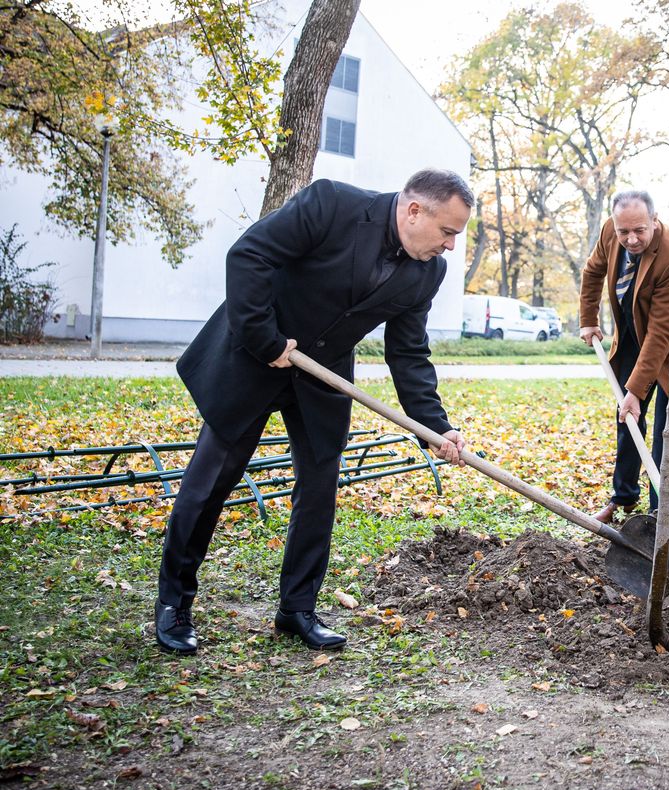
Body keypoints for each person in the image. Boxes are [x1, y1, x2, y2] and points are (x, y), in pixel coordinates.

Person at [155, 170, 472, 654]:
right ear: (414, 211)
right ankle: (175, 603)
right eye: (448, 231)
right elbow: (250, 254)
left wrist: (435, 426)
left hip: (323, 378)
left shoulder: (428, 271)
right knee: (211, 481)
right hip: (254, 358)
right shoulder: (332, 204)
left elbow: (408, 353)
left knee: (320, 487)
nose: (450, 245)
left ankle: (297, 608)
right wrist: (265, 340)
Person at [579, 190, 669, 523]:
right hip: (631, 334)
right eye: (623, 231)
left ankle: (661, 513)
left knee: (666, 430)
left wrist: (636, 390)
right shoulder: (609, 232)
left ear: (654, 221)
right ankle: (623, 497)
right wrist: (588, 319)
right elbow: (592, 272)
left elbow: (660, 333)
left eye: (639, 230)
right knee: (627, 419)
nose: (630, 238)